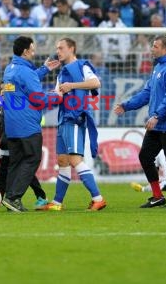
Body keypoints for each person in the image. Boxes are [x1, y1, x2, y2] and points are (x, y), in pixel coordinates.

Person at [114, 35, 166, 208]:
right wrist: (127, 105)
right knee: (145, 156)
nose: (152, 49)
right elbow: (147, 93)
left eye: (155, 46)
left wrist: (157, 116)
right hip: (157, 124)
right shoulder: (158, 67)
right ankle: (157, 196)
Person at [42, 38, 106, 211]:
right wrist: (45, 97)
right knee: (62, 160)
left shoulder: (82, 66)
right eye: (57, 48)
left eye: (61, 48)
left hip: (76, 118)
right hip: (63, 119)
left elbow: (96, 83)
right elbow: (58, 95)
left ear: (72, 48)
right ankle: (57, 203)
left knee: (75, 159)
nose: (58, 51)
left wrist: (72, 85)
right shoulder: (61, 73)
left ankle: (98, 198)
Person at [1, 36, 58, 212]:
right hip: (27, 124)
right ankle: (14, 197)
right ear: (25, 51)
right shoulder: (25, 72)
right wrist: (57, 97)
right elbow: (39, 99)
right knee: (33, 158)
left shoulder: (9, 69)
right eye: (32, 49)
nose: (34, 52)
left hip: (11, 125)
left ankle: (9, 198)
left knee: (16, 162)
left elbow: (23, 83)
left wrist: (44, 69)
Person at [0, 106, 48, 210]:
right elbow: (0, 126)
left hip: (17, 139)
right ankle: (5, 198)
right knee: (8, 169)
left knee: (21, 169)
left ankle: (40, 196)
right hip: (7, 141)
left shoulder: (17, 106)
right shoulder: (2, 106)